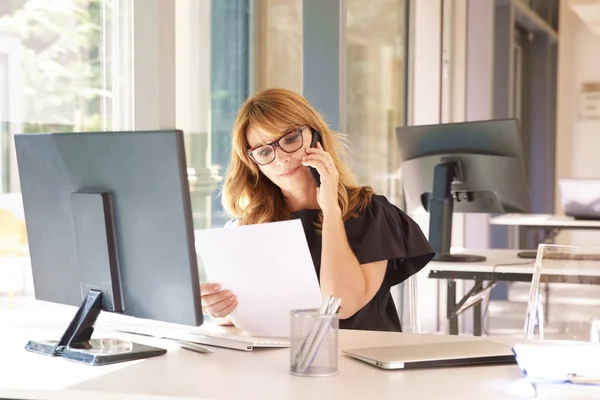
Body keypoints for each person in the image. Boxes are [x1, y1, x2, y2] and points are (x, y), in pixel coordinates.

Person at [200, 88, 434, 332]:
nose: (281, 158)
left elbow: (341, 306)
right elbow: (252, 314)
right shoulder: (250, 227)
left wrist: (330, 209)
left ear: (315, 137)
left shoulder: (370, 212)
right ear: (254, 164)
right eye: (264, 151)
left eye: (290, 139)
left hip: (362, 362)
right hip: (280, 363)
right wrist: (220, 308)